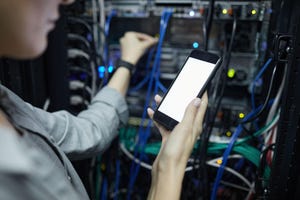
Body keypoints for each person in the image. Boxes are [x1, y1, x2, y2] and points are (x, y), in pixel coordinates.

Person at [0, 0, 208, 200]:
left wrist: (126, 62)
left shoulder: (7, 104)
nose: (68, 0)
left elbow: (87, 130)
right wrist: (173, 162)